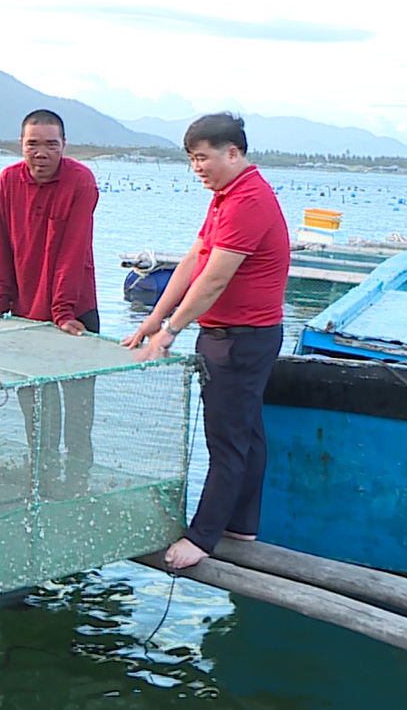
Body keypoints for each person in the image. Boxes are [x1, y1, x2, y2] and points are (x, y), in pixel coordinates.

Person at [122, 112, 289, 570]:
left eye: (203, 158)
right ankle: (241, 525)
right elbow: (194, 260)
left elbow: (214, 280)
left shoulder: (249, 199)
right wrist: (154, 321)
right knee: (248, 434)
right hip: (233, 336)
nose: (198, 167)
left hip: (241, 339)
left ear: (232, 153)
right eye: (192, 159)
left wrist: (172, 332)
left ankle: (204, 536)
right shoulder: (224, 196)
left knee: (227, 442)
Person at [0, 109, 100, 490]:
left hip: (74, 312)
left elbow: (74, 250)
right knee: (37, 411)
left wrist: (62, 312)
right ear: (21, 145)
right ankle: (40, 483)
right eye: (32, 144)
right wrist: (0, 300)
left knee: (77, 411)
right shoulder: (8, 182)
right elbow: (2, 243)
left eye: (50, 145)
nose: (41, 153)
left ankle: (77, 486)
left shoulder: (80, 182)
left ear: (64, 147)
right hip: (24, 313)